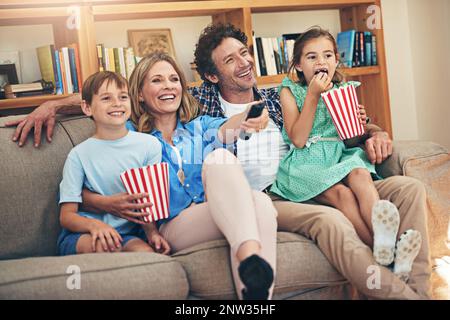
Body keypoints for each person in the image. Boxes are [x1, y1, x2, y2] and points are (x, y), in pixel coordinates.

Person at [5, 23, 431, 299]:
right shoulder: (181, 113)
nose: (245, 63)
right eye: (231, 60)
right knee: (307, 209)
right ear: (210, 76)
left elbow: (335, 118)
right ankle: (391, 293)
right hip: (273, 193)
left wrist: (377, 133)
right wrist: (53, 107)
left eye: (245, 53)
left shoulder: (268, 98)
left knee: (407, 187)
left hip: (316, 171)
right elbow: (108, 98)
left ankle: (417, 287)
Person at [85, 52, 277, 300]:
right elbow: (86, 178)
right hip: (171, 226)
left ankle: (253, 281)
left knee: (253, 194)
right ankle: (250, 260)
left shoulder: (200, 126)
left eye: (174, 79)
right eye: (157, 80)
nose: (168, 86)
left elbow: (228, 128)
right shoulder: (128, 135)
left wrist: (249, 115)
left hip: (215, 212)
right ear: (139, 94)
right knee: (256, 201)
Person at [271, 27, 422, 280]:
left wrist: (360, 123)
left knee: (361, 173)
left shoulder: (343, 88)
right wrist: (312, 96)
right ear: (298, 65)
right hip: (307, 161)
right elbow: (297, 139)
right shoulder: (290, 91)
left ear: (336, 60)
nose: (321, 62)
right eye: (311, 57)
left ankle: (385, 238)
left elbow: (350, 139)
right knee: (342, 194)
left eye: (328, 55)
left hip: (338, 153)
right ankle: (385, 256)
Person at [57, 70, 171, 256]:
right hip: (83, 233)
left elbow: (145, 201)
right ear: (87, 108)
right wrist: (96, 226)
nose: (117, 103)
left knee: (146, 255)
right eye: (106, 98)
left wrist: (152, 233)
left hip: (127, 234)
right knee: (108, 248)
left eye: (123, 97)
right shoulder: (78, 155)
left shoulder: (149, 145)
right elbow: (67, 216)